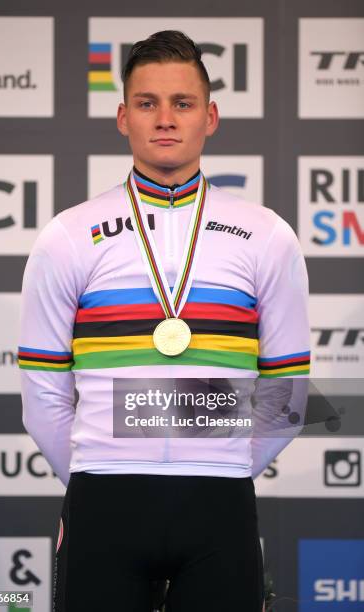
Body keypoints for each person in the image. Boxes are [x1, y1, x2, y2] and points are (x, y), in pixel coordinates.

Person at [18, 30, 310, 611]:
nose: (166, 119)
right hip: (104, 499)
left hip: (220, 501)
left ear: (211, 116)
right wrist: (95, 471)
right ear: (123, 117)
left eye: (183, 103)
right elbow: (43, 394)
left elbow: (286, 392)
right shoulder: (69, 235)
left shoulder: (266, 235)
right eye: (148, 103)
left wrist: (220, 463)